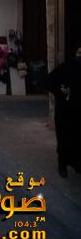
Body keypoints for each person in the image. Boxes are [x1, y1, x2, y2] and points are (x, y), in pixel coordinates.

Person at [46, 43, 81, 177]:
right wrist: (60, 90)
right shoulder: (65, 68)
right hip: (64, 112)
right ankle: (62, 165)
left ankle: (76, 164)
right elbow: (48, 81)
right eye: (79, 53)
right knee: (64, 140)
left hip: (78, 112)